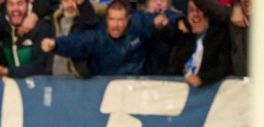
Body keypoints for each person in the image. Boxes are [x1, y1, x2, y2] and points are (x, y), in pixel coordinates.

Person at [41, 0, 169, 76]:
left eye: (120, 20)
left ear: (127, 20)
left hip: (137, 86)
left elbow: (168, 19)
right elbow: (77, 42)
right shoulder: (98, 36)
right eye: (112, 19)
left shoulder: (138, 27)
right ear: (107, 20)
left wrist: (160, 23)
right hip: (106, 86)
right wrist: (55, 44)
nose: (116, 25)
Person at [165, 0, 231, 88]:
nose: (195, 14)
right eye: (191, 10)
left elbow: (223, 67)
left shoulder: (220, 37)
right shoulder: (183, 35)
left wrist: (202, 79)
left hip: (208, 92)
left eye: (200, 9)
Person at [0, 0, 53, 79]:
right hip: (10, 84)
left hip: (40, 84)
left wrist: (6, 71)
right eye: (11, 4)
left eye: (20, 3)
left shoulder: (42, 28)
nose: (15, 8)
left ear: (28, 4)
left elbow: (41, 68)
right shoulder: (2, 25)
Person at [49, 0, 98, 78]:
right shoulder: (53, 21)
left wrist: (84, 5)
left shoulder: (85, 23)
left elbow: (90, 19)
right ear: (61, 4)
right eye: (66, 1)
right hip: (52, 78)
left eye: (73, 1)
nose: (70, 5)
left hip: (77, 78)